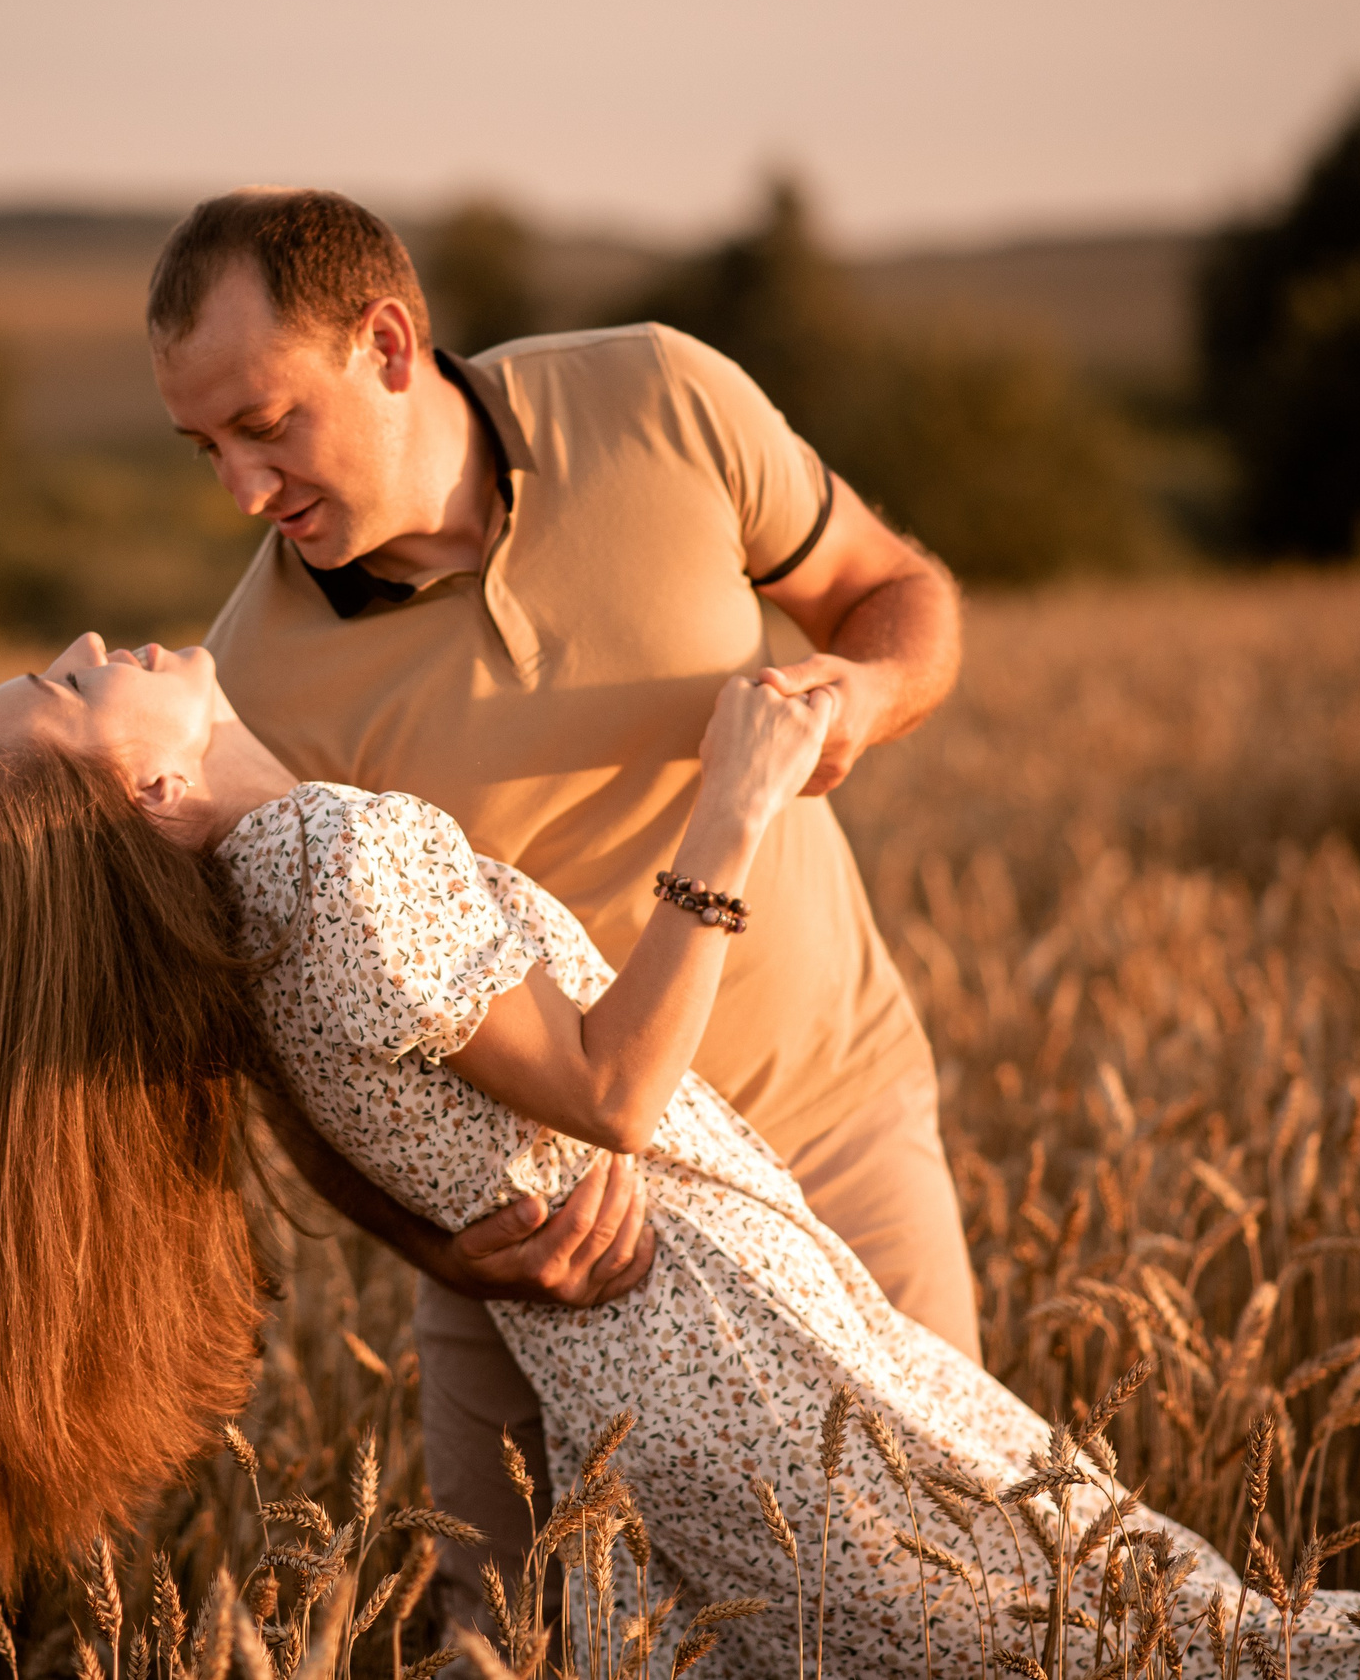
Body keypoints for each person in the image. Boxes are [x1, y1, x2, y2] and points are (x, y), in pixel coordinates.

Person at [0, 634, 1360, 1679]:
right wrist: (732, 803)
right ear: (146, 792)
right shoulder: (330, 858)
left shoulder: (250, 932)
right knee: (1180, 1637)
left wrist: (456, 1245)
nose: (82, 646)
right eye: (64, 692)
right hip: (749, 1353)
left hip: (644, 1401)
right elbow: (610, 1089)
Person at [147, 187, 978, 1608]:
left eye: (267, 423)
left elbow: (891, 588)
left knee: (951, 1595)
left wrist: (868, 691)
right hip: (555, 1246)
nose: (241, 488)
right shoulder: (255, 698)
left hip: (836, 1128)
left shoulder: (662, 396)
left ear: (390, 344)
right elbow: (289, 1064)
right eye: (205, 445)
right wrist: (446, 1246)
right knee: (512, 1631)